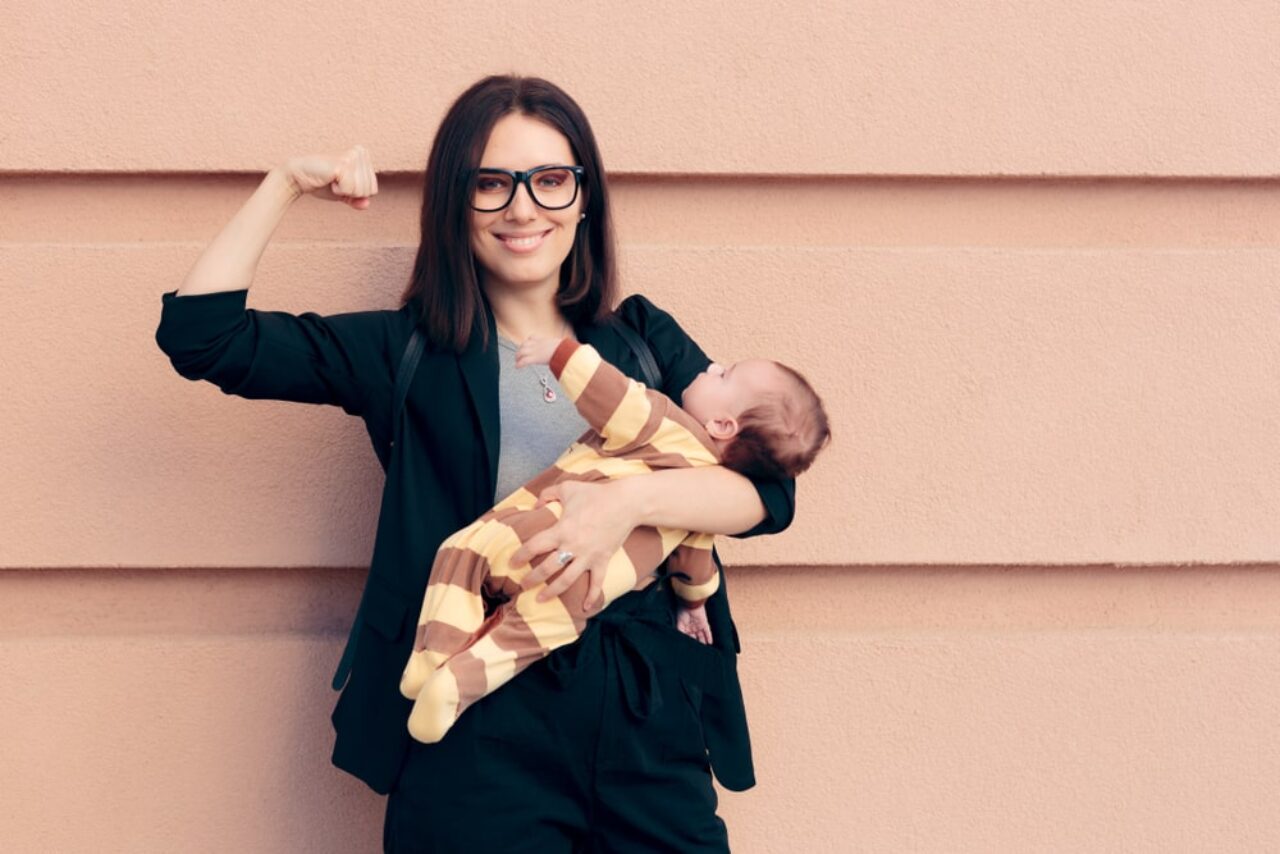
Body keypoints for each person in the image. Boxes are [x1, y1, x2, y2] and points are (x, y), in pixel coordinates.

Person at [154, 74, 798, 853]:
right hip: (478, 713)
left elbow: (765, 492)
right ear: (454, 205)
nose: (523, 208)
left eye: (550, 181)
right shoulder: (406, 352)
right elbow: (203, 339)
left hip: (644, 705)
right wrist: (285, 183)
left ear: (583, 199)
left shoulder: (640, 338)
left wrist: (623, 510)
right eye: (491, 184)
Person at [401, 334, 830, 744]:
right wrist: (695, 603)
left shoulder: (666, 422)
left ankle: (432, 655)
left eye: (724, 375)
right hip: (584, 592)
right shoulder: (702, 503)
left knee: (461, 553)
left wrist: (561, 354)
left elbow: (613, 396)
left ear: (722, 424)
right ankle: (456, 685)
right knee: (524, 637)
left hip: (533, 532)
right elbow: (694, 566)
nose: (711, 366)